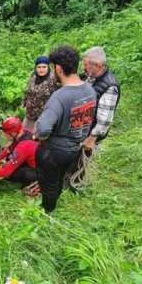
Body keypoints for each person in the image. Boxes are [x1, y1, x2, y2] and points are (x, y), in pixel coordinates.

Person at [35, 46, 96, 213]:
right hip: (74, 149)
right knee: (59, 179)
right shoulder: (90, 90)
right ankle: (54, 202)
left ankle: (47, 211)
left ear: (59, 68)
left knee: (47, 184)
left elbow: (43, 130)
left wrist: (42, 137)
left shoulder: (60, 96)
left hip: (53, 151)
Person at [66, 46, 121, 189]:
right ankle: (66, 178)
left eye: (85, 65)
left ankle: (74, 186)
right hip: (79, 127)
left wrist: (92, 138)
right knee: (71, 155)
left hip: (90, 131)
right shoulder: (88, 77)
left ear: (96, 65)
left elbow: (105, 119)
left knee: (81, 160)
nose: (83, 68)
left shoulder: (109, 87)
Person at [0, 117, 38, 184]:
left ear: (12, 134)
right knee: (4, 165)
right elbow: (11, 147)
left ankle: (32, 180)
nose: (5, 136)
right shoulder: (24, 132)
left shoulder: (22, 147)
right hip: (35, 162)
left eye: (6, 134)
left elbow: (7, 171)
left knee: (9, 174)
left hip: (38, 170)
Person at [21, 56, 61, 132]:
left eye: (44, 67)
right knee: (25, 135)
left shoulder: (53, 78)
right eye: (39, 67)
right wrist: (24, 102)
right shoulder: (33, 75)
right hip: (30, 114)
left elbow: (61, 93)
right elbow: (28, 90)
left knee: (36, 138)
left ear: (48, 67)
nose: (41, 70)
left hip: (43, 116)